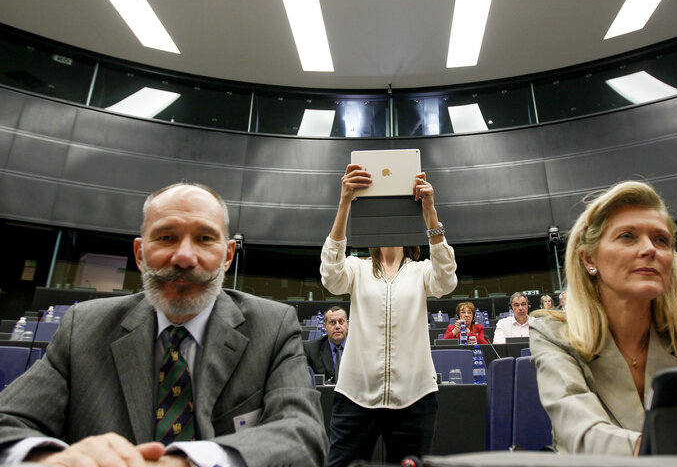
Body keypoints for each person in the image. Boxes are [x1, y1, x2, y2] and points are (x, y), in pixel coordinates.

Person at [0, 183, 328, 467]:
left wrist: (185, 462)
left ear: (228, 256)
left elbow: (303, 434)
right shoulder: (83, 328)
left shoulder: (273, 327)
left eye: (204, 238)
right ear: (140, 253)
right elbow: (8, 421)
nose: (184, 257)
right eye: (166, 237)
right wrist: (51, 459)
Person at [530, 181, 677, 456]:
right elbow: (582, 435)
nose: (650, 249)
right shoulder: (552, 334)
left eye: (661, 239)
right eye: (627, 236)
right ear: (589, 259)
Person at [320, 164, 457, 467]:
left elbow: (446, 280)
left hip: (415, 399)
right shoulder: (356, 268)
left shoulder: (421, 271)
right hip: (355, 396)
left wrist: (430, 211)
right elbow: (330, 275)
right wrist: (345, 202)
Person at [303, 306, 349, 383]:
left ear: (347, 324)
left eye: (341, 321)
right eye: (332, 322)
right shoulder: (311, 349)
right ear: (325, 326)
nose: (337, 326)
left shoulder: (359, 348)